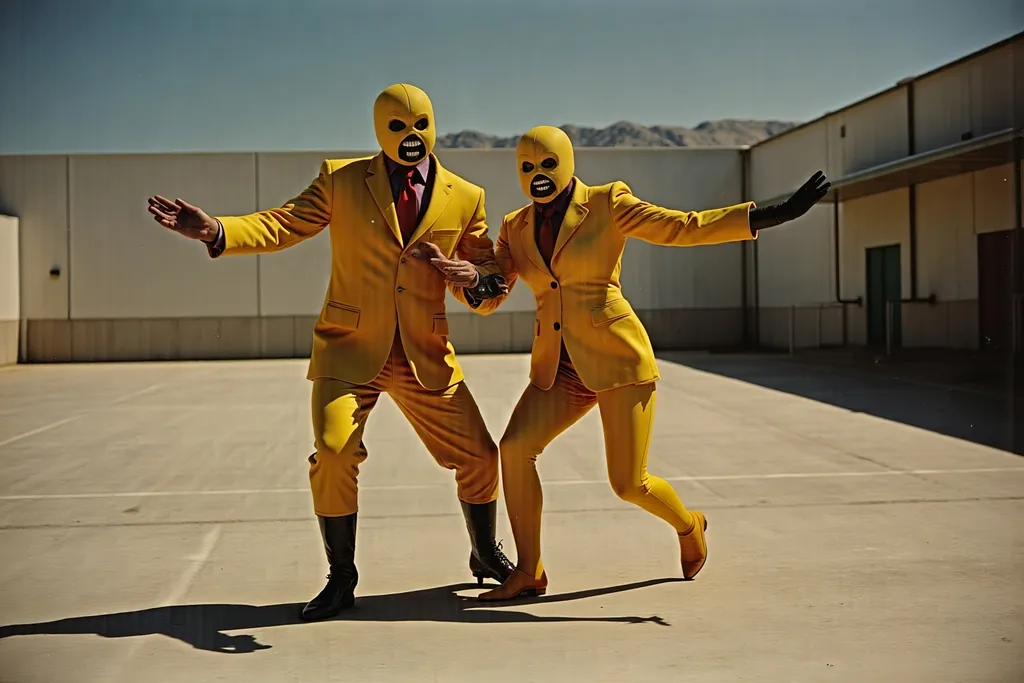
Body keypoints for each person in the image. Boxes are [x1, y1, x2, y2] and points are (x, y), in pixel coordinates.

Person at [146, 83, 513, 620]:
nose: (411, 137)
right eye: (397, 128)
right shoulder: (341, 179)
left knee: (482, 456)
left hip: (424, 353)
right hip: (349, 350)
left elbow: (486, 277)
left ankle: (484, 551)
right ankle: (342, 578)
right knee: (335, 453)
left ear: (433, 125)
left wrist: (476, 279)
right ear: (377, 130)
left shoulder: (466, 195)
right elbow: (284, 222)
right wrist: (219, 230)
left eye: (419, 126)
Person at [452, 125, 829, 601]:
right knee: (515, 449)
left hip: (617, 361)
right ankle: (529, 570)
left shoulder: (608, 203)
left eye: (548, 163)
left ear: (567, 162)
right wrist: (474, 281)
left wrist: (771, 215)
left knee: (629, 484)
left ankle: (690, 525)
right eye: (527, 168)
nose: (538, 175)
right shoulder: (515, 227)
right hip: (559, 367)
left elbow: (682, 227)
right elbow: (494, 286)